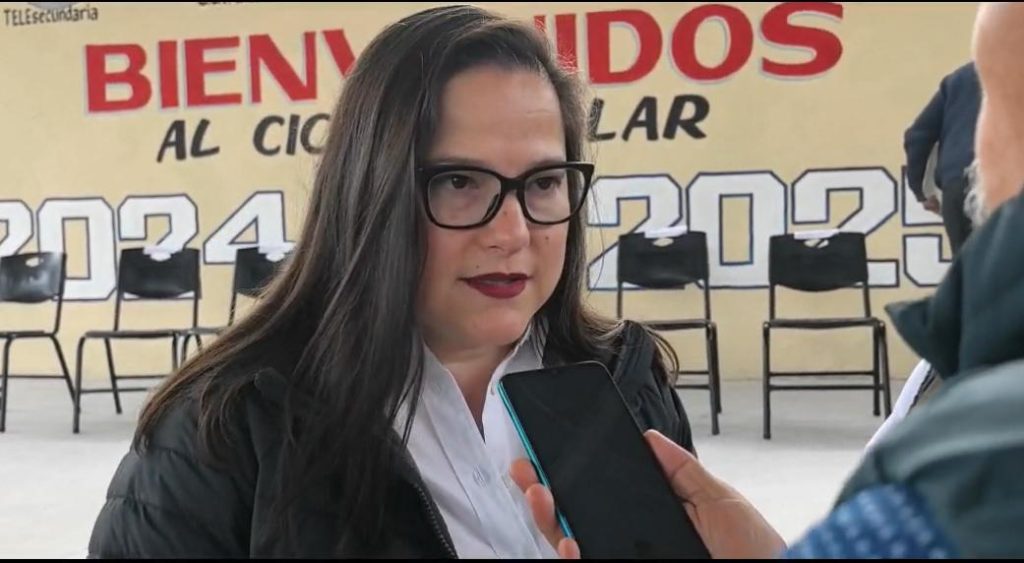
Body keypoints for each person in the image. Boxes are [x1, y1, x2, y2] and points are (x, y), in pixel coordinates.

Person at [87, 5, 696, 559]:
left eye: (543, 183)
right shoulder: (221, 433)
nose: (512, 233)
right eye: (459, 182)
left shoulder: (628, 383)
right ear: (369, 192)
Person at [515, 2, 1024, 558]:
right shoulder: (952, 403)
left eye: (990, 96)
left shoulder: (943, 495)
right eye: (459, 182)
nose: (510, 232)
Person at [904, 61, 981, 253]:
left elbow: (917, 136)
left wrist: (921, 191)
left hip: (958, 185)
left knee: (967, 265)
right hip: (1006, 182)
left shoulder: (958, 79)